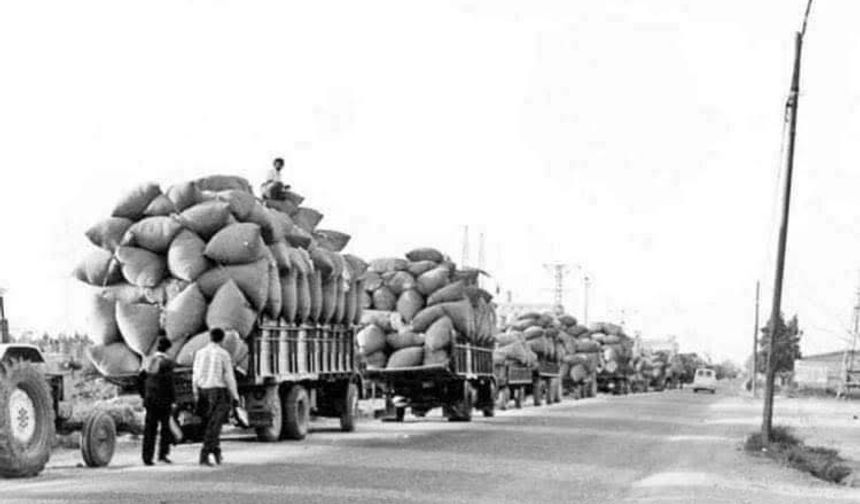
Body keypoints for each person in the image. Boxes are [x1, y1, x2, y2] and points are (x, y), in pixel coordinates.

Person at [192, 327, 240, 466]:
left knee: (209, 423)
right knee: (215, 425)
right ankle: (205, 454)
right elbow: (229, 377)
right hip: (218, 391)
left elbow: (195, 374)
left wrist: (195, 392)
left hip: (203, 391)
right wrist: (235, 396)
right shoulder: (223, 354)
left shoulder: (200, 353)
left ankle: (216, 451)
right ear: (222, 339)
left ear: (210, 337)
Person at [139, 336, 176, 466]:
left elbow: (140, 380)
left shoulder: (147, 361)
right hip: (163, 400)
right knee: (165, 429)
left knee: (149, 430)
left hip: (150, 400)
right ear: (167, 349)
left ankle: (147, 457)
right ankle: (162, 455)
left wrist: (144, 395)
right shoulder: (167, 363)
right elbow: (169, 383)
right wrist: (173, 399)